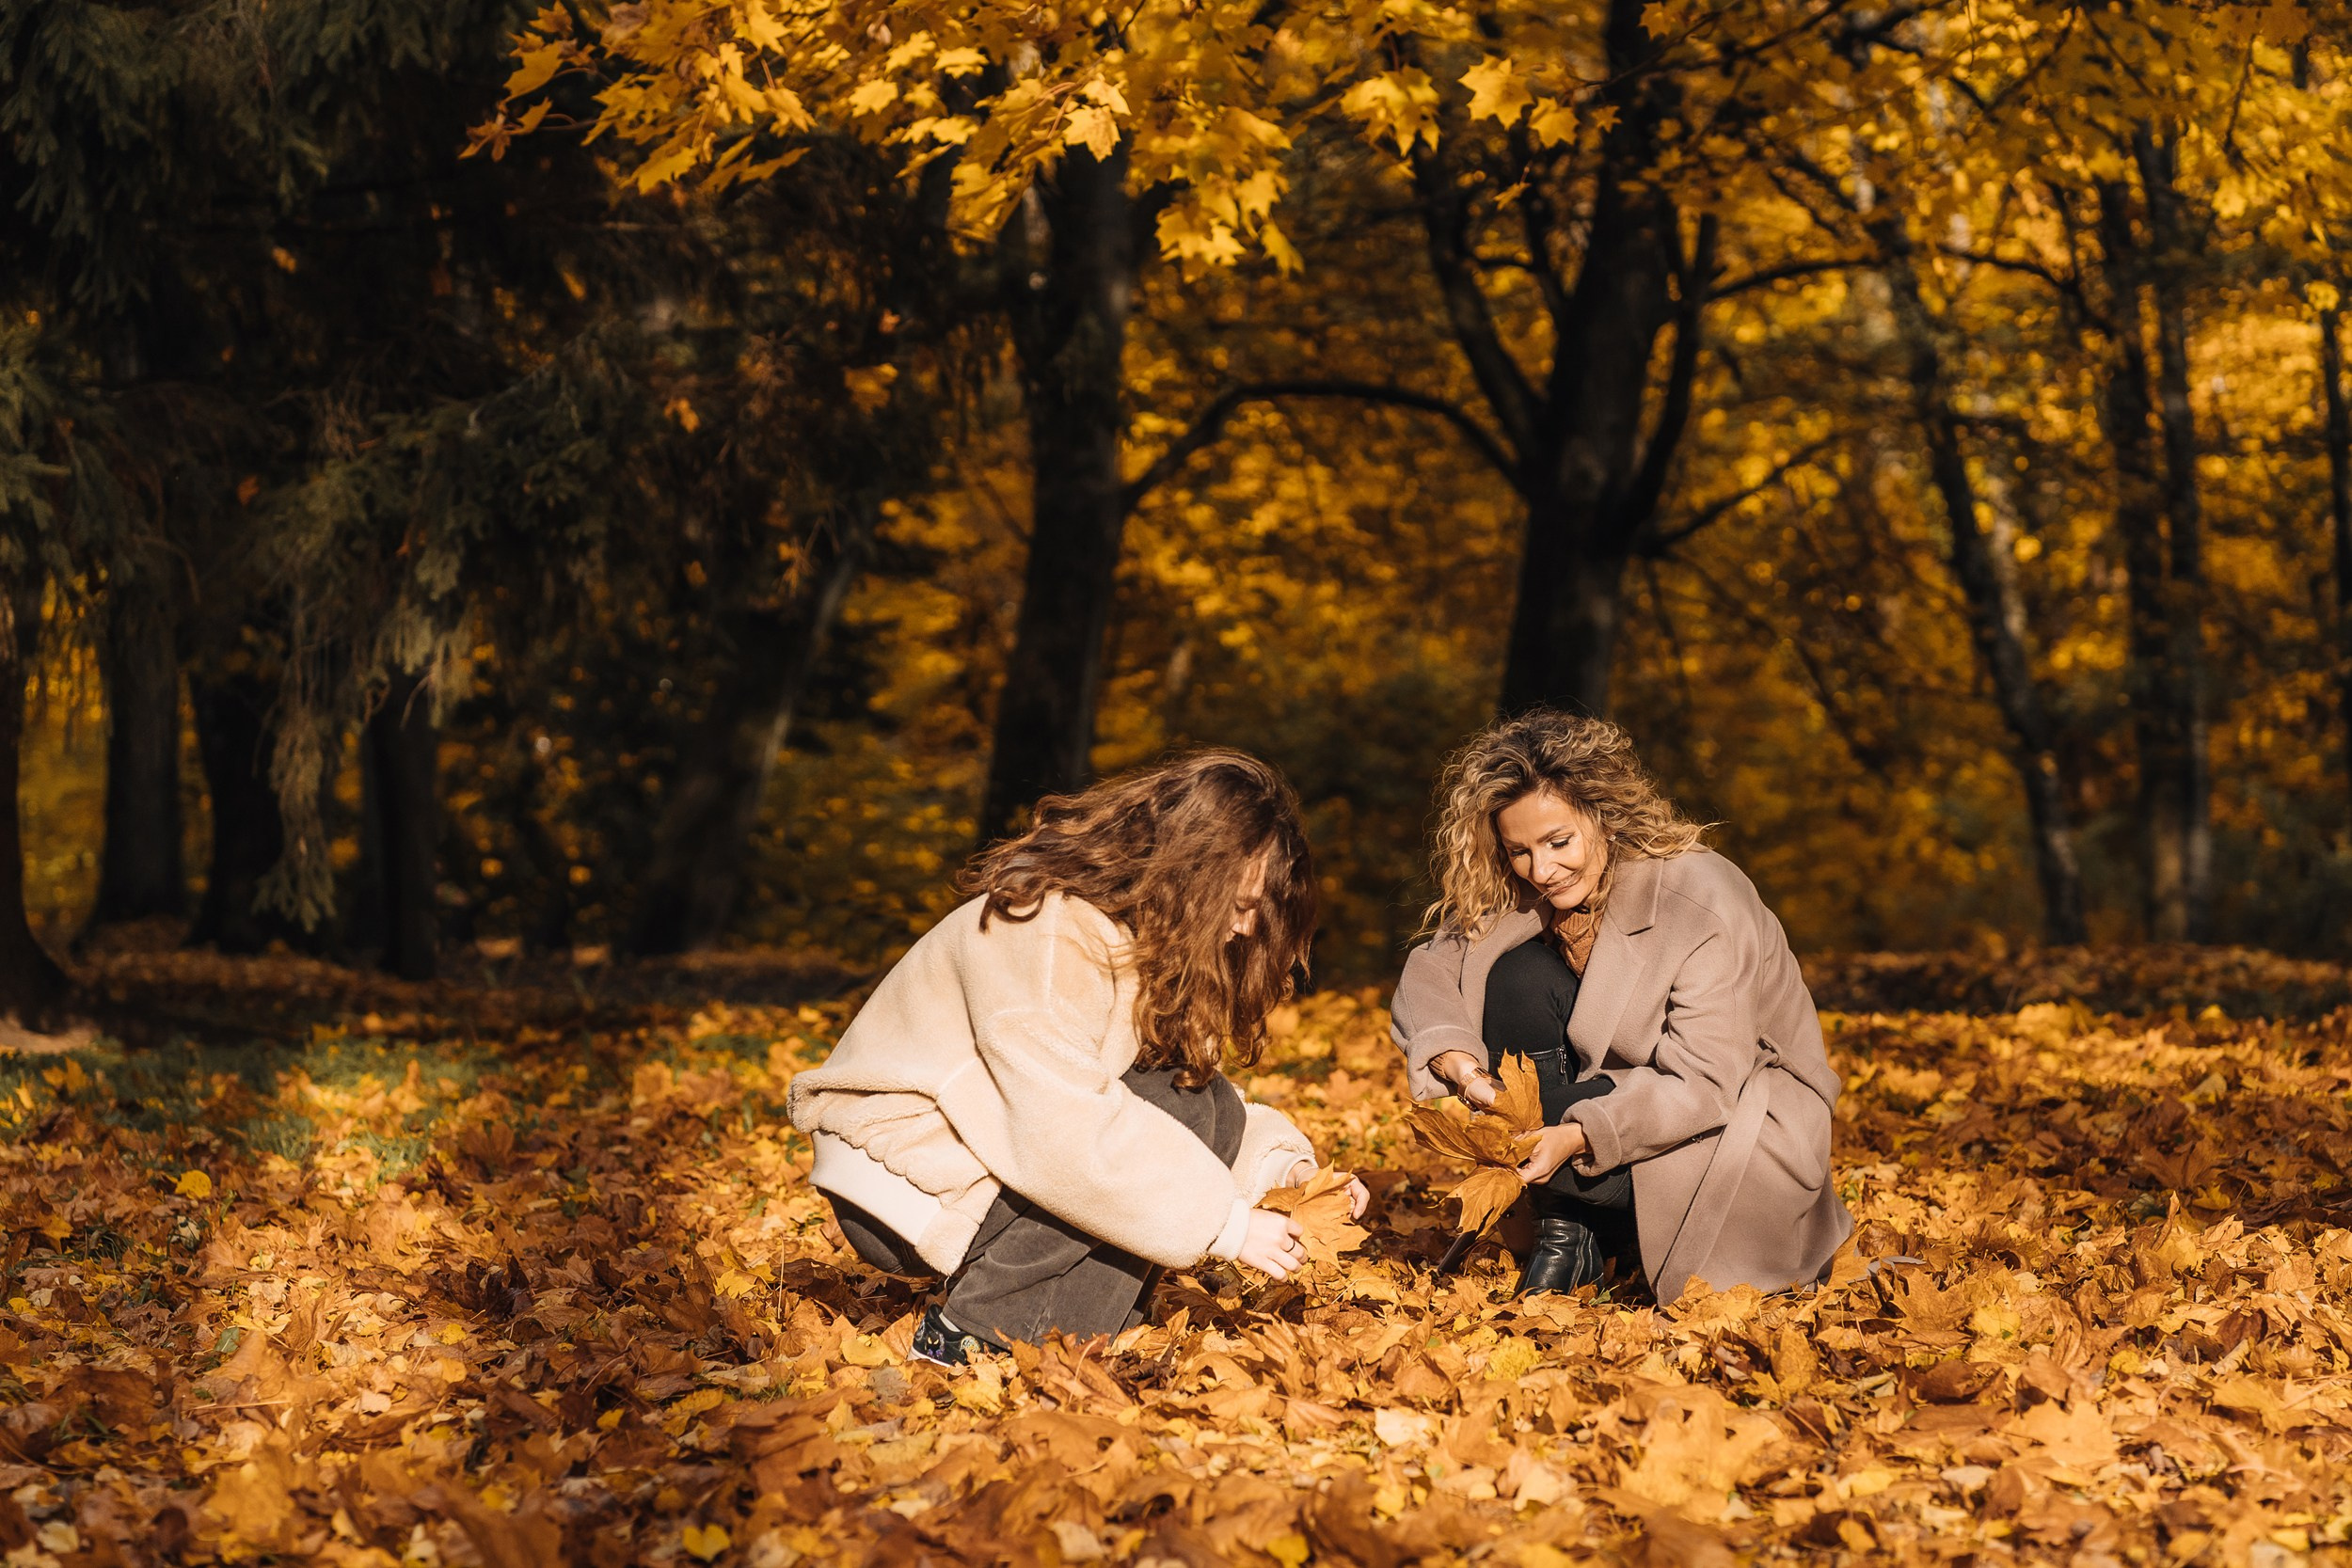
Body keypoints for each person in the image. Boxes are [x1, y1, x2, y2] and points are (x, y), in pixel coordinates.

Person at [787, 751, 1367, 1363]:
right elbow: (1059, 1128)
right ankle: (970, 1334)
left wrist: (1287, 1171)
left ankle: (1064, 1354)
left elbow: (1194, 1096)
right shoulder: (1045, 927)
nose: (1248, 930)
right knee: (1170, 1115)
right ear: (1189, 870)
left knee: (1203, 1101)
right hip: (903, 1171)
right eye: (1240, 904)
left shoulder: (1142, 942)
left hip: (986, 1148)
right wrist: (1229, 1225)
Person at [1390, 712, 1851, 1301]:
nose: (1543, 869)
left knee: (1534, 1114)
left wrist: (1576, 1136)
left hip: (1735, 1112)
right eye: (1519, 851)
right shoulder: (1526, 884)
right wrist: (1460, 1064)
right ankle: (1570, 1230)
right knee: (1511, 973)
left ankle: (1578, 1207)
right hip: (1610, 1090)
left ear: (1604, 816)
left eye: (1559, 842)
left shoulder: (1701, 899)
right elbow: (1432, 971)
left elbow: (1705, 1083)